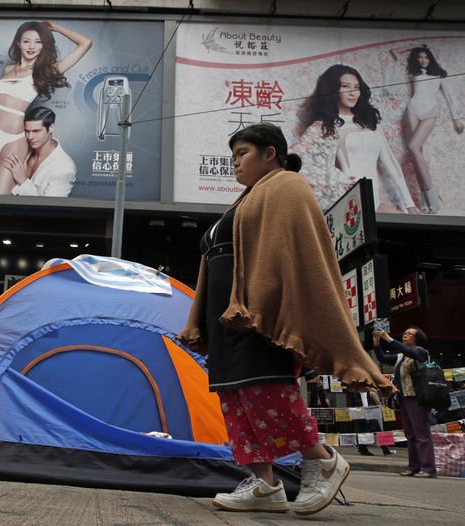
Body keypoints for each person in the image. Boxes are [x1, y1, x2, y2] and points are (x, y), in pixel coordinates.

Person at [177, 123, 395, 515]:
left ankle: (322, 460)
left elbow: (295, 258)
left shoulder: (287, 186)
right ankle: (264, 485)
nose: (235, 164)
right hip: (227, 321)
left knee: (265, 393)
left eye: (242, 154)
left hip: (261, 317)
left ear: (270, 153)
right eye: (232, 157)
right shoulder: (244, 202)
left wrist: (264, 306)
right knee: (235, 399)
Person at [0, 20, 91, 194]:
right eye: (26, 41)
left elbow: (86, 43)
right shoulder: (8, 69)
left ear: (44, 46)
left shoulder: (46, 71)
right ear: (18, 43)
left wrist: (56, 28)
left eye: (38, 42)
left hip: (12, 140)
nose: (31, 46)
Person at [292, 64, 420, 214]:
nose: (353, 93)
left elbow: (390, 163)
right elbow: (293, 158)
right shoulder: (324, 126)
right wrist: (325, 183)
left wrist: (409, 205)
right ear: (333, 90)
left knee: (408, 230)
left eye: (356, 87)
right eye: (346, 87)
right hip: (349, 200)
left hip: (374, 202)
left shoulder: (371, 122)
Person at [390, 45, 464, 213]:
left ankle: (432, 193)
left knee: (413, 148)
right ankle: (425, 200)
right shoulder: (414, 72)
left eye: (426, 57)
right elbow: (395, 52)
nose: (423, 60)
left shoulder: (439, 74)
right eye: (420, 57)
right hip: (412, 111)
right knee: (416, 154)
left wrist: (456, 118)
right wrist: (415, 46)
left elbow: (450, 97)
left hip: (430, 113)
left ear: (431, 58)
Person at [372, 325, 437, 477]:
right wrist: (376, 343)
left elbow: (409, 351)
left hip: (417, 397)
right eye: (405, 333)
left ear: (417, 338)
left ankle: (428, 468)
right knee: (410, 434)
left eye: (410, 334)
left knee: (422, 434)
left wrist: (387, 338)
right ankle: (413, 467)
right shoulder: (401, 356)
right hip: (404, 397)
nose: (405, 335)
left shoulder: (421, 352)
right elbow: (383, 358)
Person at [0, 106, 76, 197]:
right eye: (27, 131)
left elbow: (50, 207)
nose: (30, 137)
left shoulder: (65, 168)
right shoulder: (24, 148)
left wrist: (23, 181)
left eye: (36, 131)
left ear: (51, 128)